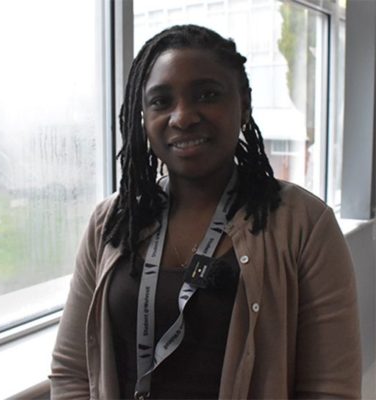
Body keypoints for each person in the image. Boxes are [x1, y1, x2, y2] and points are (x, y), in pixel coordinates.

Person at [50, 25, 361, 399]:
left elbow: (329, 389)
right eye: (161, 102)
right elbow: (72, 372)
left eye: (207, 95)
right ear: (142, 117)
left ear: (243, 104)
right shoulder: (112, 222)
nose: (182, 116)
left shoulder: (305, 225)